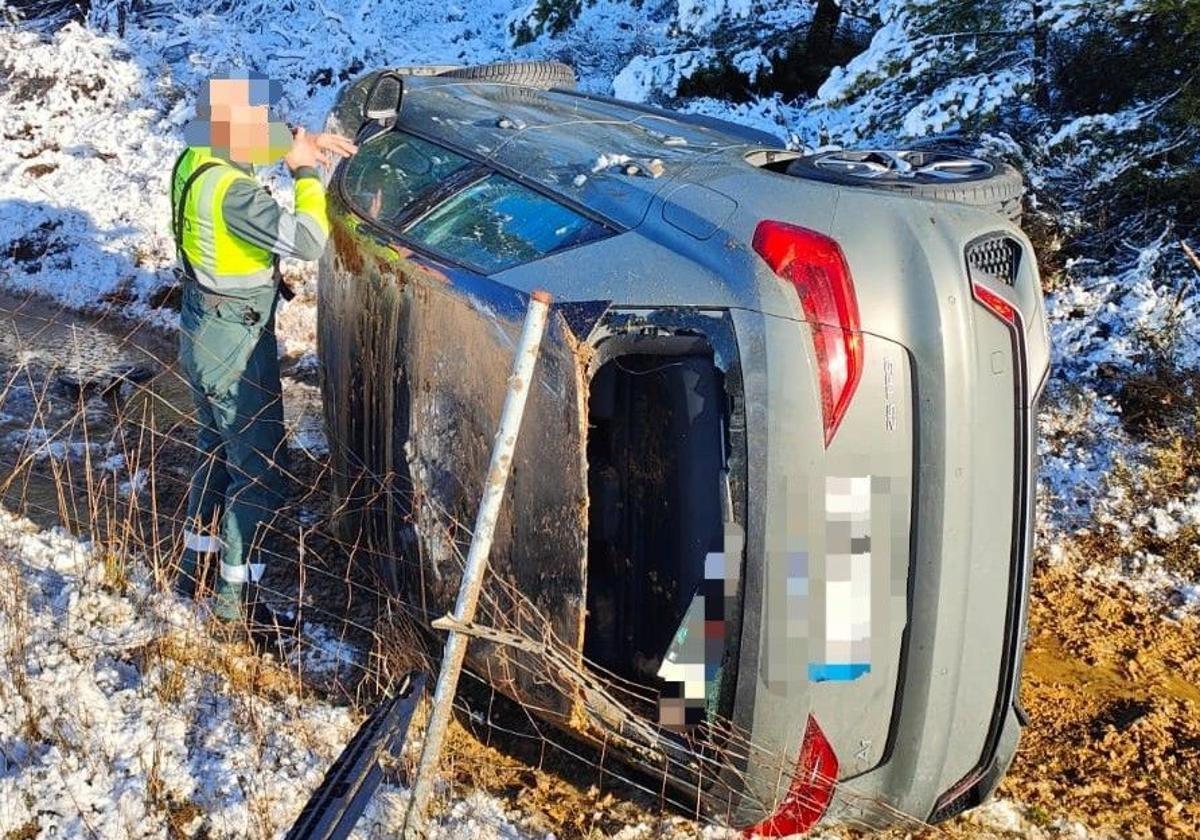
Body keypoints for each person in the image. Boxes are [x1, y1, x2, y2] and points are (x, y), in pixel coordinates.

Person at [170, 71, 357, 630]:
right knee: (260, 472)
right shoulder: (237, 196)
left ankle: (193, 572)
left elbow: (245, 141)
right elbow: (305, 240)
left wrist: (303, 140)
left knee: (215, 452)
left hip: (202, 324)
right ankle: (234, 608)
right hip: (236, 340)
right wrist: (303, 173)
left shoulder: (196, 161)